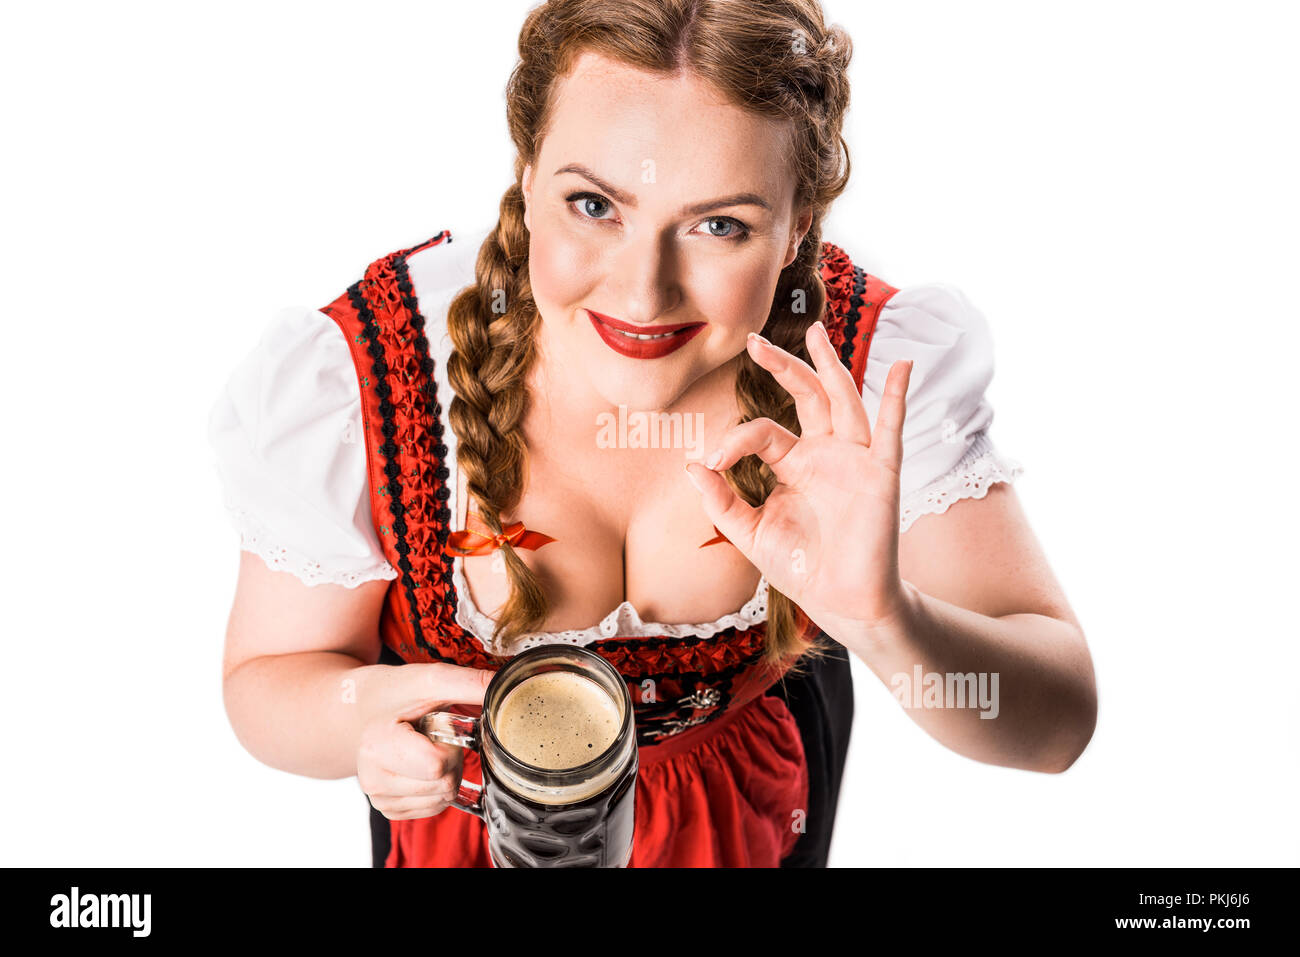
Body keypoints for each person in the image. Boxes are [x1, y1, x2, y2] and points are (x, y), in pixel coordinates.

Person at [211, 0, 1097, 868]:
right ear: (526, 171)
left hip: (753, 826)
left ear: (798, 228)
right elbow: (268, 679)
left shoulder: (861, 374)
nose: (643, 296)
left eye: (721, 226)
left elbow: (1055, 727)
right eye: (595, 205)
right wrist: (364, 715)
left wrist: (885, 620)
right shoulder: (368, 371)